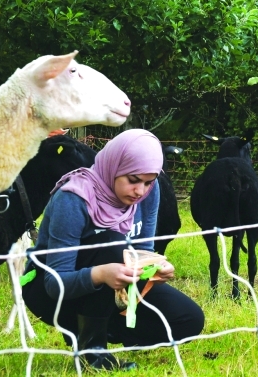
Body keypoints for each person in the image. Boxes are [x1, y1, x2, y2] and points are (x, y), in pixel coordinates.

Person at [23, 129, 205, 371]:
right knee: (114, 243)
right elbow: (53, 283)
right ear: (114, 166)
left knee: (189, 320)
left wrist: (155, 267)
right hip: (50, 293)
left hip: (114, 284)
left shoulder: (149, 193)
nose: (140, 191)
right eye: (133, 180)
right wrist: (100, 274)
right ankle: (93, 352)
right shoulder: (73, 198)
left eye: (148, 182)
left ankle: (98, 328)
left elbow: (142, 250)